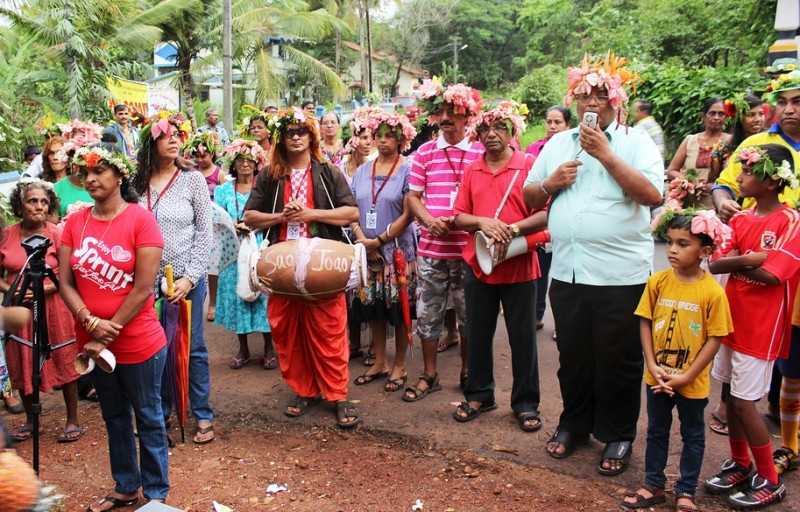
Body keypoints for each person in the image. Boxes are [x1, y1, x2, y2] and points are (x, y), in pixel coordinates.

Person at [523, 53, 663, 475]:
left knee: (618, 357)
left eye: (601, 95)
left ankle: (618, 434)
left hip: (620, 275)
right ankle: (574, 424)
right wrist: (550, 184)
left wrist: (606, 155)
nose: (591, 102)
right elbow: (530, 196)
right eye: (584, 95)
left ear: (616, 100)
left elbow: (652, 195)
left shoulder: (637, 142)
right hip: (568, 271)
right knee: (574, 353)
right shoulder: (558, 143)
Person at [59, 143, 169, 509]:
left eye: (99, 172)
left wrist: (112, 325)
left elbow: (143, 287)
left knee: (149, 416)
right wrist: (89, 322)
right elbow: (65, 281)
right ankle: (125, 485)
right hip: (91, 340)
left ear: (119, 175)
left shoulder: (141, 220)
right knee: (114, 414)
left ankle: (155, 496)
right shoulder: (75, 222)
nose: (90, 180)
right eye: (86, 174)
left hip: (136, 339)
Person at [243, 108, 361, 428]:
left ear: (312, 136)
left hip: (322, 261)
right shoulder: (270, 174)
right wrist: (281, 217)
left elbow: (351, 213)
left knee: (329, 327)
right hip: (281, 262)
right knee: (287, 328)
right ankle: (304, 389)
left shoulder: (327, 171)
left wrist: (310, 215)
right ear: (281, 138)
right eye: (290, 132)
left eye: (302, 132)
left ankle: (337, 394)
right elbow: (250, 217)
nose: (296, 137)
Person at [703, 144, 800, 509]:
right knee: (729, 398)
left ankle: (770, 480)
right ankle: (741, 465)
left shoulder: (792, 221)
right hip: (730, 319)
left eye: (747, 170)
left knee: (745, 403)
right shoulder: (741, 219)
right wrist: (746, 260)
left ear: (773, 179)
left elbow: (774, 275)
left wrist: (733, 262)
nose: (739, 176)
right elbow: (716, 261)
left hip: (761, 326)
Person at [622, 209, 733, 512]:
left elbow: (716, 337)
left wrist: (686, 376)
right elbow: (644, 320)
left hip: (691, 382)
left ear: (705, 251)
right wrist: (652, 364)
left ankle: (686, 491)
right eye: (670, 242)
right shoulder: (658, 282)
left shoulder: (712, 292)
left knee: (692, 434)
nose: (672, 250)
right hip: (656, 377)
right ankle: (653, 484)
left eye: (683, 244)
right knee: (656, 429)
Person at [451, 105, 546, 431]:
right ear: (477, 135)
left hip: (519, 265)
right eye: (485, 129)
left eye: (500, 128)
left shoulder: (528, 166)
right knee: (477, 332)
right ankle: (479, 394)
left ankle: (525, 403)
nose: (492, 135)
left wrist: (513, 230)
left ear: (513, 131)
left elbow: (546, 214)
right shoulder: (472, 169)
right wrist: (483, 222)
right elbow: (459, 216)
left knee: (523, 338)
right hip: (478, 265)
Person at [133, 113, 215, 445]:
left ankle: (202, 414)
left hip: (186, 278)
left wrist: (190, 279)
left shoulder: (192, 180)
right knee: (155, 351)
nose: (175, 138)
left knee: (192, 348)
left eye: (178, 134)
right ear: (151, 143)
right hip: (146, 284)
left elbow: (205, 234)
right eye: (166, 134)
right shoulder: (134, 184)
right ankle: (160, 413)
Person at [405, 79, 484, 400]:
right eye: (442, 112)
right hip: (431, 248)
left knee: (468, 316)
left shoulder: (480, 151)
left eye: (454, 112)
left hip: (468, 250)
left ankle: (467, 372)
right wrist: (427, 220)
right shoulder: (423, 152)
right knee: (427, 313)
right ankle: (430, 374)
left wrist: (466, 221)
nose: (447, 118)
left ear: (468, 117)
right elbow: (413, 197)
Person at [0, 179, 82, 443]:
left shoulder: (57, 232)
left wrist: (40, 289)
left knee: (63, 355)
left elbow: (65, 273)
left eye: (44, 202)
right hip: (19, 307)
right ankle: (31, 419)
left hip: (54, 304)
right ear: (20, 205)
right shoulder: (7, 234)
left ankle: (72, 419)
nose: (38, 206)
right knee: (20, 357)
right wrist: (12, 288)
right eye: (32, 201)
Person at [707, 92, 768, 436]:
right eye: (750, 114)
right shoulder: (741, 148)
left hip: (775, 251)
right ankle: (732, 403)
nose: (756, 119)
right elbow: (722, 185)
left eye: (761, 113)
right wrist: (722, 200)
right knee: (733, 326)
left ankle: (775, 407)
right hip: (740, 234)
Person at [349, 111, 417, 392]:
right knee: (372, 308)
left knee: (399, 309)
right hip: (368, 252)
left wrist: (381, 240)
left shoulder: (408, 169)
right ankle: (379, 361)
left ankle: (399, 363)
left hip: (397, 253)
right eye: (380, 135)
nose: (384, 141)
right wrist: (363, 239)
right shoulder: (363, 171)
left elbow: (410, 211)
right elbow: (352, 209)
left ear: (401, 139)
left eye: (391, 136)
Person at [215, 139, 275, 370]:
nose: (245, 165)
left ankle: (269, 348)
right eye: (240, 160)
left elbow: (270, 216)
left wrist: (253, 227)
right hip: (233, 248)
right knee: (237, 294)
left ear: (257, 163)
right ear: (233, 163)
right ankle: (243, 349)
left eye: (249, 161)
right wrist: (234, 225)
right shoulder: (223, 190)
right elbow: (217, 218)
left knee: (263, 293)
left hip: (258, 244)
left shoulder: (263, 189)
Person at [712, 71, 800, 220]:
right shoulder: (754, 144)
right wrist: (723, 202)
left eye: (797, 102)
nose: (788, 110)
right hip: (756, 235)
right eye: (782, 102)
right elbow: (724, 185)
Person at [524, 106, 571, 333]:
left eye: (558, 122)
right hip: (540, 218)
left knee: (563, 270)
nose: (552, 126)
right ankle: (536, 314)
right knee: (541, 269)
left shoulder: (573, 148)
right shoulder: (533, 149)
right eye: (549, 122)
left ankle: (562, 324)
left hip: (564, 220)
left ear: (567, 125)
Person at [666, 98, 732, 207]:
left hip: (715, 204)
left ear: (726, 117)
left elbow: (731, 175)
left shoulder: (730, 141)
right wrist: (689, 182)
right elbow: (672, 170)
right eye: (712, 113)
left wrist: (712, 186)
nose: (716, 117)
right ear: (703, 116)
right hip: (687, 203)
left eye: (721, 114)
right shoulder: (690, 140)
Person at [184, 131, 224, 199]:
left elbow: (225, 197)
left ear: (212, 155)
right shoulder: (191, 171)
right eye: (197, 156)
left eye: (203, 156)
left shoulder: (219, 174)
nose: (199, 160)